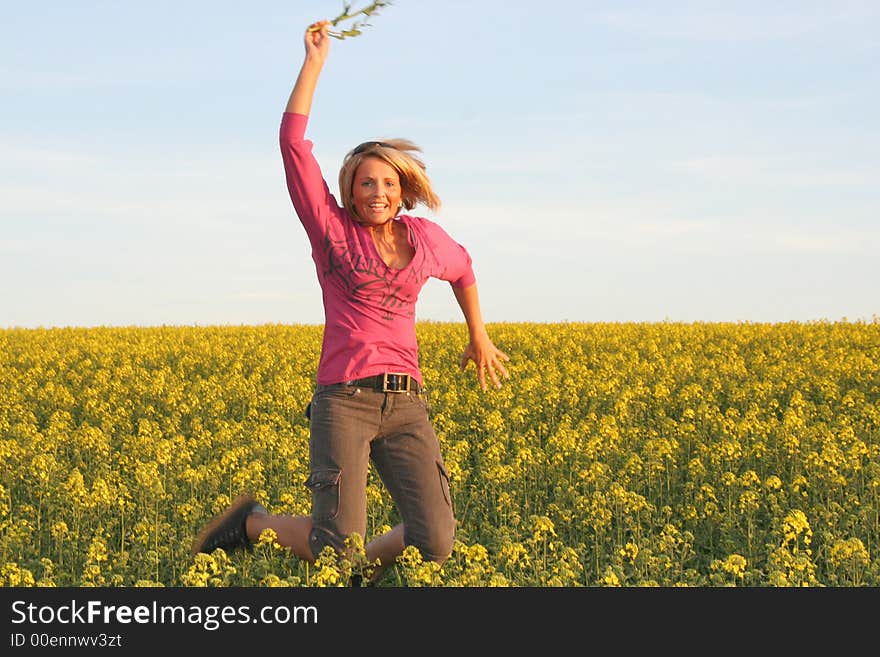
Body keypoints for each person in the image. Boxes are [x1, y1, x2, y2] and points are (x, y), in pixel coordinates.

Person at [191, 19, 510, 584]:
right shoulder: (331, 232)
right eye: (366, 183)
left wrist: (477, 334)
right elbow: (293, 146)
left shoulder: (425, 239)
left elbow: (465, 271)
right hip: (344, 399)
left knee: (436, 540)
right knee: (333, 549)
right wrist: (314, 63)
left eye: (387, 183)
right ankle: (255, 524)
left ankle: (355, 570)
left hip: (406, 401)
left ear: (403, 188)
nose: (377, 193)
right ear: (349, 190)